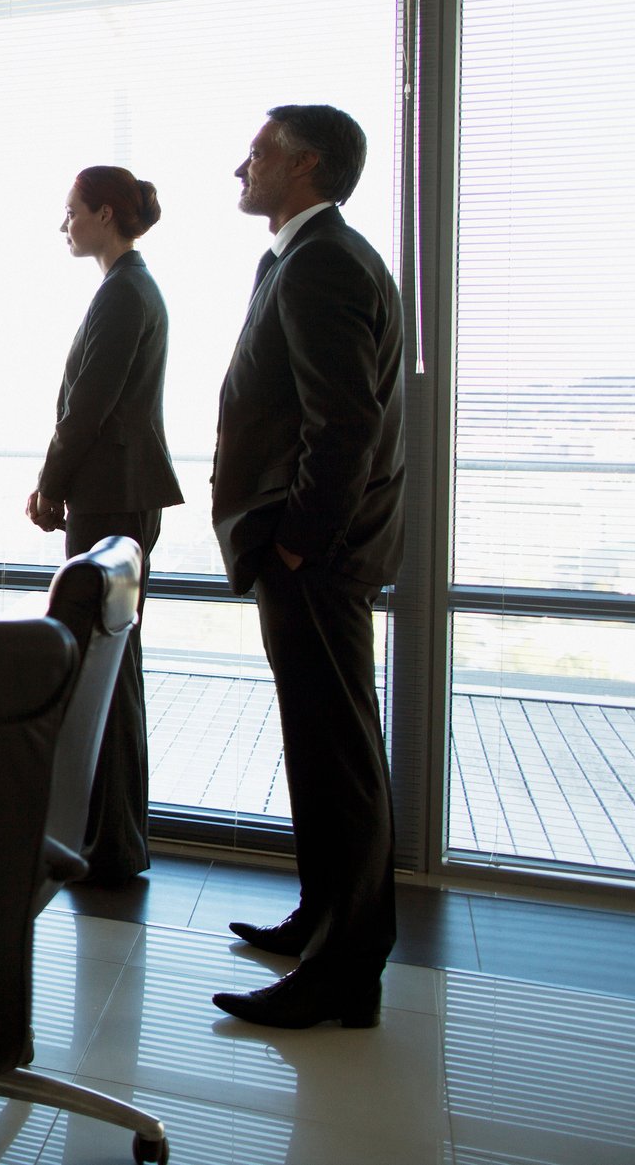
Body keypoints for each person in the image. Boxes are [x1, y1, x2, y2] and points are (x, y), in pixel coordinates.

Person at [211, 105, 405, 1030]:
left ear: (306, 165)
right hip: (310, 553)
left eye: (256, 154)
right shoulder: (305, 254)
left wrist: (297, 540)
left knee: (338, 758)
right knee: (322, 750)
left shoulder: (325, 258)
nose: (240, 167)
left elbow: (347, 424)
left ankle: (343, 973)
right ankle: (323, 922)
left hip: (314, 558)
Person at [26, 167, 184, 884]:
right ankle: (114, 838)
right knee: (115, 672)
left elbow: (87, 406)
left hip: (110, 496)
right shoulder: (127, 287)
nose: (65, 225)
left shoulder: (124, 293)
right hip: (117, 492)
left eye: (73, 212)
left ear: (106, 213)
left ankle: (111, 843)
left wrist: (49, 483)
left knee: (105, 672)